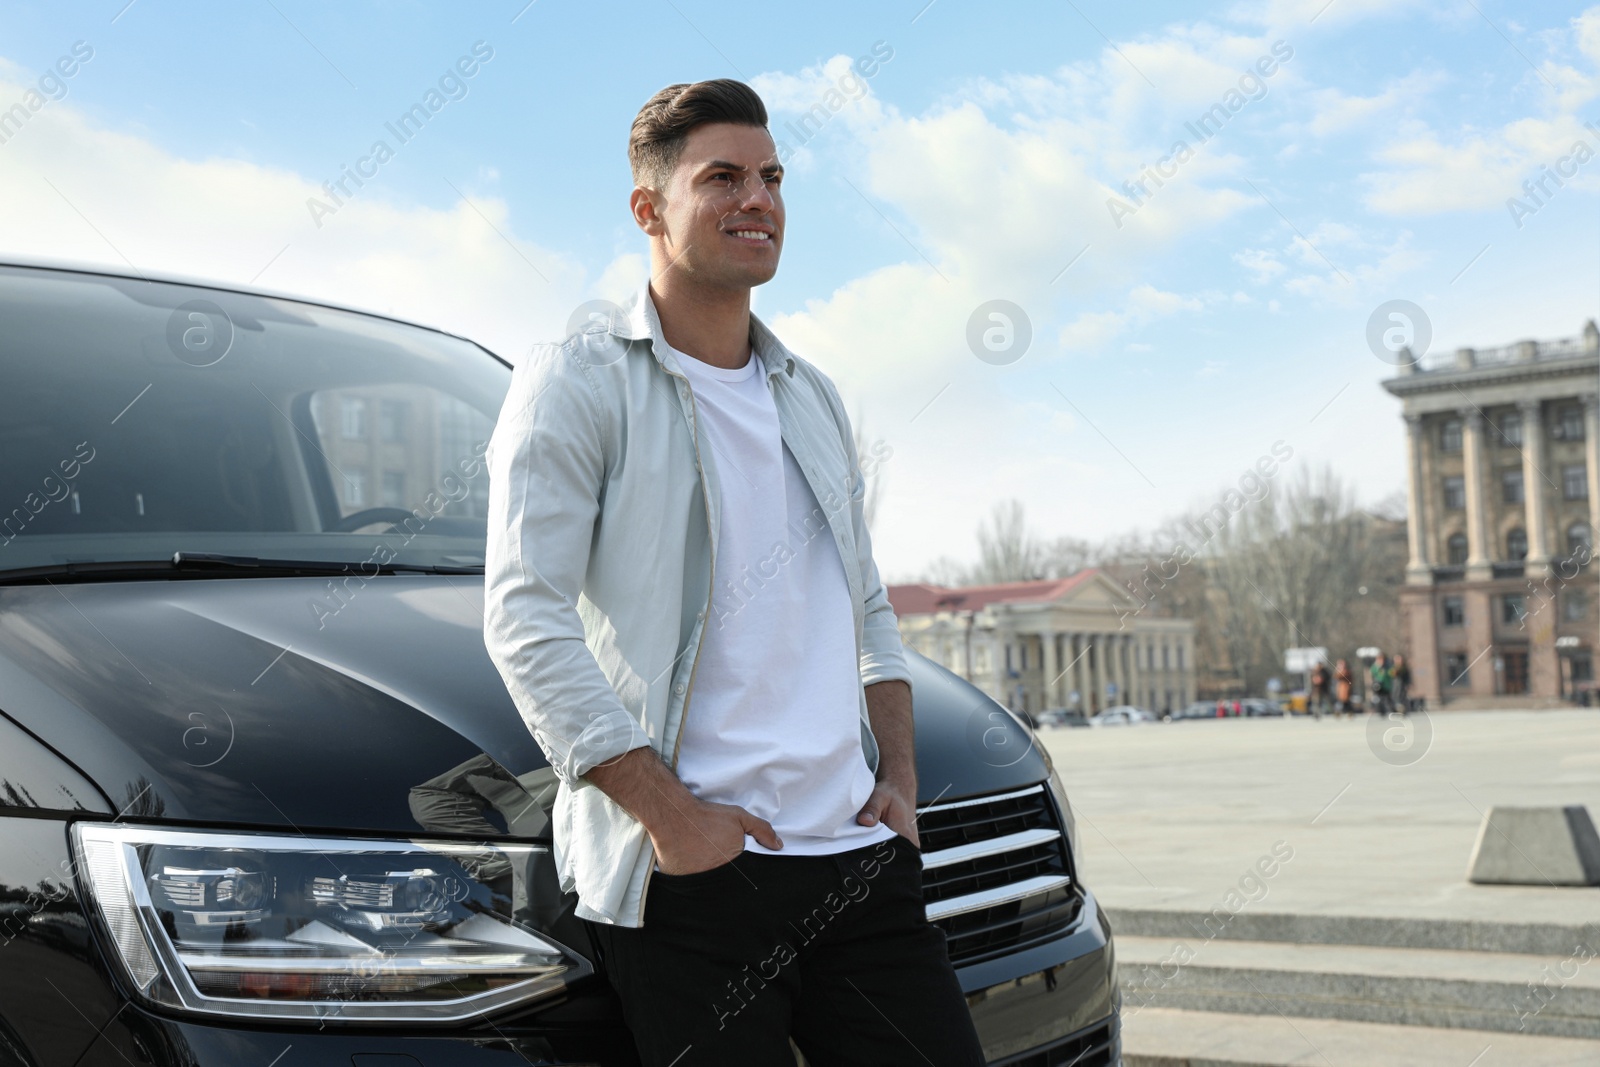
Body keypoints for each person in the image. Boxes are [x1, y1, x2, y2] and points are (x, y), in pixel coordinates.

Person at [482, 80, 985, 1066]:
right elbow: (523, 618)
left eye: (771, 177)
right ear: (647, 210)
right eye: (723, 177)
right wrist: (673, 819)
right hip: (694, 877)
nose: (759, 198)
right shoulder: (576, 378)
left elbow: (865, 602)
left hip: (854, 858)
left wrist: (900, 778)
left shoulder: (812, 395)